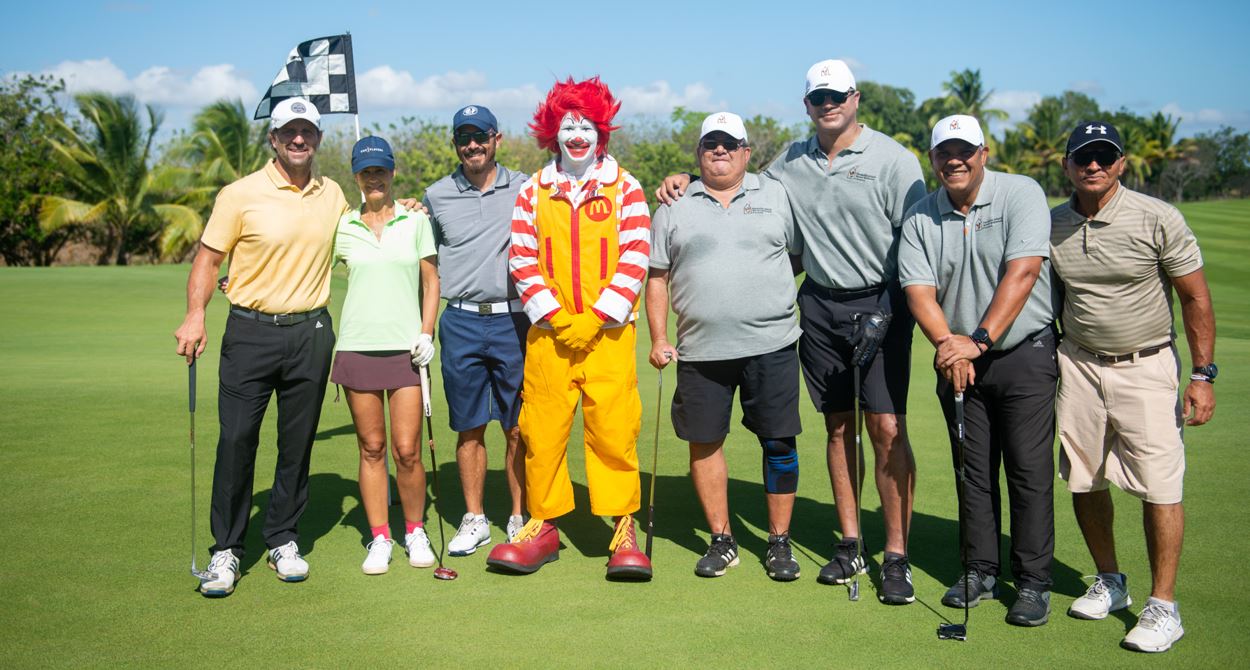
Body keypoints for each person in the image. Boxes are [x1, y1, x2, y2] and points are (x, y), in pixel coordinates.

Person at [657, 59, 926, 603]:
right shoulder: (791, 163)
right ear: (807, 105)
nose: (828, 105)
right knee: (835, 428)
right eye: (818, 98)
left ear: (854, 99)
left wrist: (901, 305)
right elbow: (739, 200)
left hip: (879, 302)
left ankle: (896, 554)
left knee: (886, 428)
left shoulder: (894, 160)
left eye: (837, 96)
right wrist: (680, 181)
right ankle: (849, 544)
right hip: (820, 308)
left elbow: (919, 236)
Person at [1050, 121, 1216, 652]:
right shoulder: (1052, 224)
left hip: (1146, 365)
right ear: (1067, 165)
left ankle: (1164, 606)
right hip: (1077, 364)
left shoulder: (1157, 217)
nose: (1093, 166)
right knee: (1084, 477)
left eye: (1104, 157)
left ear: (1121, 163)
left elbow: (1194, 299)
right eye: (1084, 157)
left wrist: (1201, 375)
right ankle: (1110, 581)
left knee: (1160, 485)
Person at [173, 98, 348, 596]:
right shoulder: (239, 194)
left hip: (311, 334)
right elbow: (208, 261)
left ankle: (282, 538)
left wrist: (407, 207)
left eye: (307, 132)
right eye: (288, 132)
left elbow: (366, 228)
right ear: (272, 139)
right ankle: (226, 550)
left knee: (297, 445)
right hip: (249, 333)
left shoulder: (332, 193)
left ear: (317, 138)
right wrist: (194, 315)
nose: (299, 140)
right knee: (236, 441)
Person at [488, 77, 653, 579]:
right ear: (552, 132)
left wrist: (598, 317)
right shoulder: (532, 190)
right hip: (551, 338)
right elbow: (522, 258)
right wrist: (559, 319)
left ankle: (623, 527)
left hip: (607, 337)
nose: (577, 133)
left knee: (614, 431)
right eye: (567, 124)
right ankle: (543, 523)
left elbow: (636, 254)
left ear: (602, 131)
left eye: (586, 124)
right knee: (542, 431)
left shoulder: (626, 187)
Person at [898, 115, 1058, 626]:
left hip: (1022, 353)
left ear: (984, 152)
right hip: (958, 361)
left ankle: (1033, 582)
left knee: (1028, 472)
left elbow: (1024, 271)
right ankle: (980, 569)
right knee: (971, 469)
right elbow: (919, 292)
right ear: (933, 159)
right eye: (944, 152)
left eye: (964, 150)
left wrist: (978, 341)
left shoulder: (1020, 194)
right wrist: (950, 346)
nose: (955, 160)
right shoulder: (922, 216)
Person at [646, 112, 804, 581]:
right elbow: (657, 278)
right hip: (700, 348)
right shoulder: (673, 205)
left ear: (746, 151)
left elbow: (795, 254)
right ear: (698, 153)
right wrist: (658, 337)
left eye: (729, 143)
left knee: (778, 442)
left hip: (771, 343)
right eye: (710, 144)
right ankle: (723, 539)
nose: (720, 150)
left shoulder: (775, 193)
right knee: (704, 442)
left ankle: (778, 542)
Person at [330, 136, 440, 575]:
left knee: (407, 449)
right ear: (356, 177)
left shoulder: (415, 222)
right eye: (366, 171)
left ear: (392, 173)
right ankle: (380, 538)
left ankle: (414, 529)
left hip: (406, 350)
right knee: (372, 447)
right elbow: (302, 264)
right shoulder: (343, 227)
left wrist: (427, 332)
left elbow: (431, 282)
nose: (374, 178)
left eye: (381, 170)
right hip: (357, 346)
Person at [423, 105, 530, 555]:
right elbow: (424, 258)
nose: (473, 145)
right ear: (455, 144)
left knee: (517, 427)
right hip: (461, 319)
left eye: (480, 136)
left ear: (496, 139)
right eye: (464, 138)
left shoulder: (526, 187)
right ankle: (475, 518)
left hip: (515, 319)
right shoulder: (435, 195)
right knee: (468, 427)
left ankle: (519, 516)